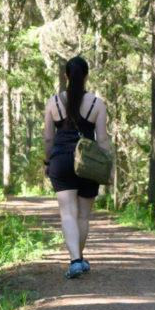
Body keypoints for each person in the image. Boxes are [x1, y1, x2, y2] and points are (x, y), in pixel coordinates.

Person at [44, 56, 112, 279]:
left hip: (61, 160)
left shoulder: (53, 102)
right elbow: (102, 140)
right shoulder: (97, 104)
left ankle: (75, 260)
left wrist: (47, 162)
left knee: (67, 214)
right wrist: (107, 166)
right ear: (86, 76)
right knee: (83, 216)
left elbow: (48, 139)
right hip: (87, 163)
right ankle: (78, 258)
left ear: (66, 76)